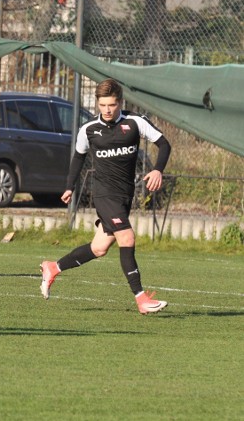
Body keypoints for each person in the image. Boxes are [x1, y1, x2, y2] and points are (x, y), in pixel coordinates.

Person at [40, 78, 172, 314]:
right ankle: (141, 298)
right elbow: (78, 157)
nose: (107, 110)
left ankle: (53, 267)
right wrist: (70, 186)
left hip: (123, 196)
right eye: (102, 105)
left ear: (119, 102)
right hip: (104, 195)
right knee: (128, 239)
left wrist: (157, 169)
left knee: (99, 248)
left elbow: (164, 144)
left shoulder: (135, 122)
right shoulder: (88, 129)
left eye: (111, 105)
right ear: (97, 104)